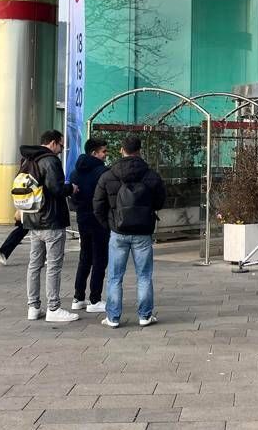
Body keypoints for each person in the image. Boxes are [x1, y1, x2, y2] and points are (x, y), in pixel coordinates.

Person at [93, 136, 165, 329]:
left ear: (121, 150)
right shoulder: (151, 175)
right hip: (143, 232)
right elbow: (160, 202)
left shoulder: (108, 175)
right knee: (144, 275)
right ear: (139, 151)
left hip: (118, 232)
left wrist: (109, 225)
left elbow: (98, 205)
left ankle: (113, 317)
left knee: (115, 276)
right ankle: (145, 316)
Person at [21, 130, 78, 322]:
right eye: (61, 145)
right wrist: (71, 188)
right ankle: (53, 308)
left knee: (34, 265)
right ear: (53, 143)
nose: (61, 149)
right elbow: (56, 188)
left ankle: (33, 307)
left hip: (33, 218)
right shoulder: (50, 160)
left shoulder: (28, 159)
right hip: (51, 219)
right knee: (53, 265)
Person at [68, 138, 110, 313]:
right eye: (103, 151)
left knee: (85, 257)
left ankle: (78, 297)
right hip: (99, 220)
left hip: (82, 218)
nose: (105, 154)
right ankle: (95, 299)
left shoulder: (75, 172)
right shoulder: (103, 172)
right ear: (94, 153)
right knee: (100, 259)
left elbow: (73, 197)